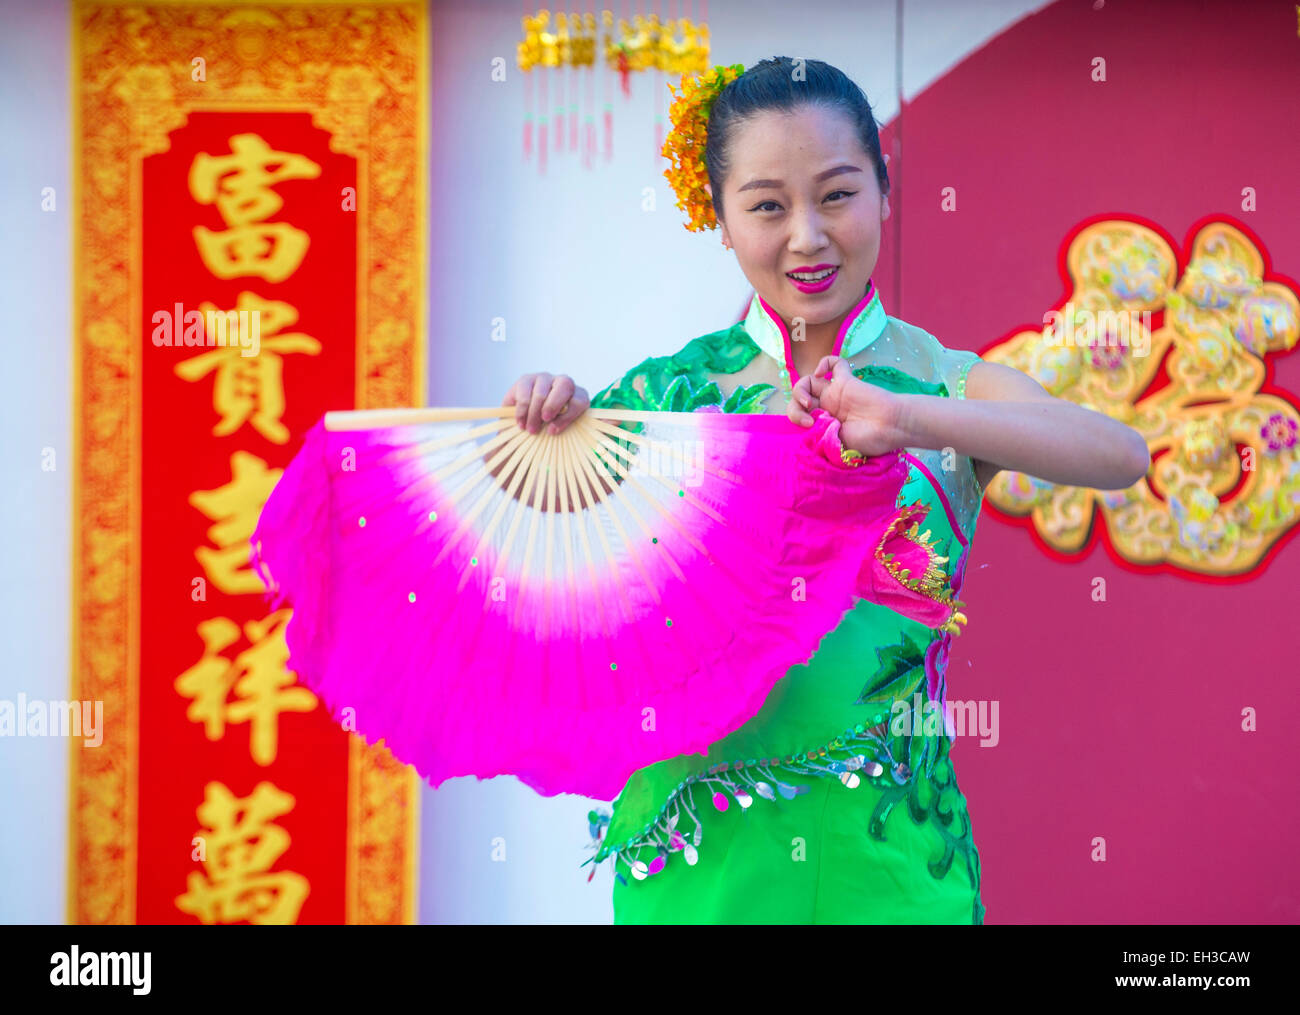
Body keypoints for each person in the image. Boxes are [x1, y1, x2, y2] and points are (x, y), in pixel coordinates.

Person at [500, 57, 1149, 924]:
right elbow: (536, 532)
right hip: (699, 870)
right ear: (721, 221)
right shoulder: (663, 402)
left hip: (889, 864)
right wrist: (546, 426)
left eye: (837, 195)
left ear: (884, 193)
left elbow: (1116, 452)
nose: (807, 236)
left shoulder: (941, 384)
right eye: (767, 205)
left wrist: (912, 420)